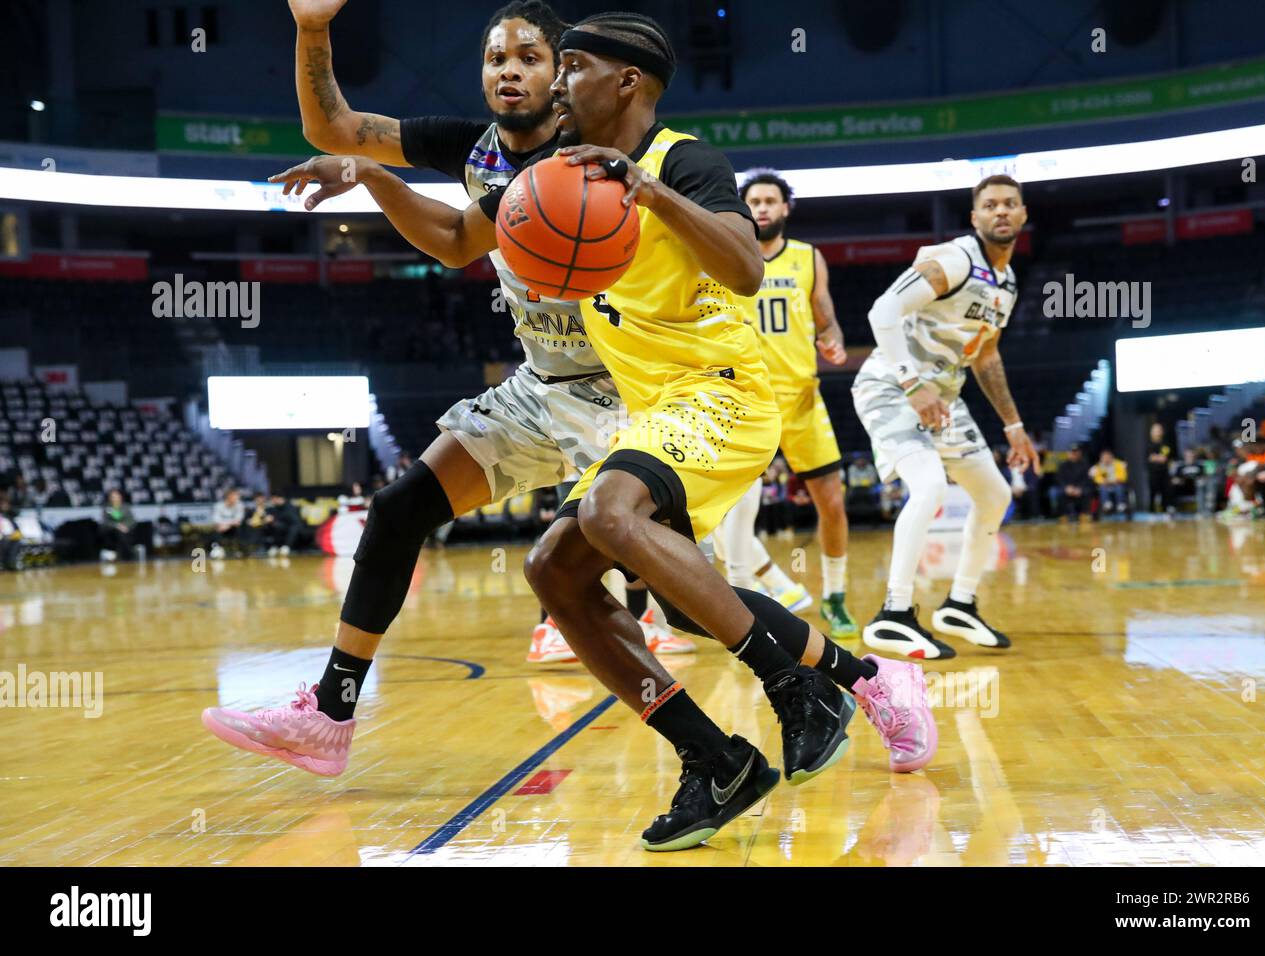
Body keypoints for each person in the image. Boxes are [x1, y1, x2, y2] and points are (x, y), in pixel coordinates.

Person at [244, 11, 935, 850]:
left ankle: (823, 683)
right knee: (536, 566)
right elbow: (451, 228)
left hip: (686, 393)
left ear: (612, 82)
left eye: (548, 61)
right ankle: (718, 756)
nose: (535, 77)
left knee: (663, 584)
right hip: (563, 387)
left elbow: (748, 267)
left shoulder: (667, 158)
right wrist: (323, 50)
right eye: (503, 57)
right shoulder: (503, 159)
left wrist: (645, 189)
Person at [275, 0, 677, 667]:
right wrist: (312, 28)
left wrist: (370, 177)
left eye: (530, 57)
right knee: (399, 509)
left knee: (680, 590)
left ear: (562, 75)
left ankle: (845, 678)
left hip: (630, 386)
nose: (510, 71)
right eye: (496, 58)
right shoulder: (473, 147)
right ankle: (330, 711)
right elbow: (336, 129)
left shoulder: (592, 154)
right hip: (543, 384)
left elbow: (456, 241)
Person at [853, 174, 1038, 659]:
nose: (1001, 211)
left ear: (1022, 215)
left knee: (995, 494)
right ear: (974, 218)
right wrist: (912, 384)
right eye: (991, 205)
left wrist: (1014, 426)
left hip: (944, 401)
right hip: (890, 387)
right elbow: (882, 311)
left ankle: (959, 603)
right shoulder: (955, 260)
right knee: (930, 487)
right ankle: (893, 615)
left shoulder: (1007, 283)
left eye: (1010, 204)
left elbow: (986, 356)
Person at [711, 170, 856, 637]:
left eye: (772, 200)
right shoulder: (727, 259)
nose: (764, 207)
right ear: (743, 207)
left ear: (786, 208)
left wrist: (832, 340)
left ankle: (834, 596)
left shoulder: (809, 258)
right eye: (755, 200)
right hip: (747, 400)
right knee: (732, 505)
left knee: (832, 503)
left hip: (801, 400)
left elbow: (827, 319)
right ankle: (739, 596)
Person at [1055, 444, 1093, 522]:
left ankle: (1084, 513)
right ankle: (1063, 515)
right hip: (1066, 488)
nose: (1074, 454)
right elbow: (1059, 479)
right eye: (1072, 452)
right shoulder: (1062, 465)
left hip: (1080, 488)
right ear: (1068, 453)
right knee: (1058, 492)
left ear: (1080, 453)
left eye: (1076, 452)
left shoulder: (1085, 465)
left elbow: (1087, 479)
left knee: (1087, 491)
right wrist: (1066, 488)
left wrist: (1080, 488)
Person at [99, 488, 137, 562]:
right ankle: (128, 554)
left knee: (123, 534)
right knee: (119, 533)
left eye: (116, 496)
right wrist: (117, 526)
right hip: (111, 530)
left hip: (126, 529)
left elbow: (131, 520)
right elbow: (105, 521)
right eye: (113, 496)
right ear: (109, 498)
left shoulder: (126, 506)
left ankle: (125, 555)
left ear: (120, 497)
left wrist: (125, 526)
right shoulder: (107, 507)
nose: (115, 498)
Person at [1089, 449, 1128, 517]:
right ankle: (1106, 504)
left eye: (1108, 457)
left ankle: (1120, 504)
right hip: (1105, 485)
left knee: (1119, 487)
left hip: (1116, 484)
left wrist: (1116, 480)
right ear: (1101, 458)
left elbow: (1123, 475)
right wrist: (1102, 481)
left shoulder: (1119, 464)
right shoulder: (1097, 467)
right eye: (1104, 458)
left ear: (1112, 457)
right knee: (1102, 487)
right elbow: (1096, 478)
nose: (1106, 459)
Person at [210, 488, 244, 559]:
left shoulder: (239, 505)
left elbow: (238, 520)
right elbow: (216, 520)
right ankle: (217, 549)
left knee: (240, 528)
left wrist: (227, 525)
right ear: (229, 497)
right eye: (235, 497)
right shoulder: (218, 506)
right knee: (216, 529)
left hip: (232, 528)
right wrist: (225, 525)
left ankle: (239, 550)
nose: (237, 499)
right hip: (221, 528)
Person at [1146, 422, 1172, 514]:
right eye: (1155, 430)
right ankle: (1151, 512)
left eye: (1159, 430)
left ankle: (1165, 510)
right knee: (1153, 492)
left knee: (1165, 492)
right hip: (1153, 472)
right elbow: (1150, 458)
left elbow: (1164, 458)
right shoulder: (1148, 444)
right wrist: (1157, 458)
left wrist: (1155, 457)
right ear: (1151, 432)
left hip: (1164, 472)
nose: (1157, 432)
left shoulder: (1165, 444)